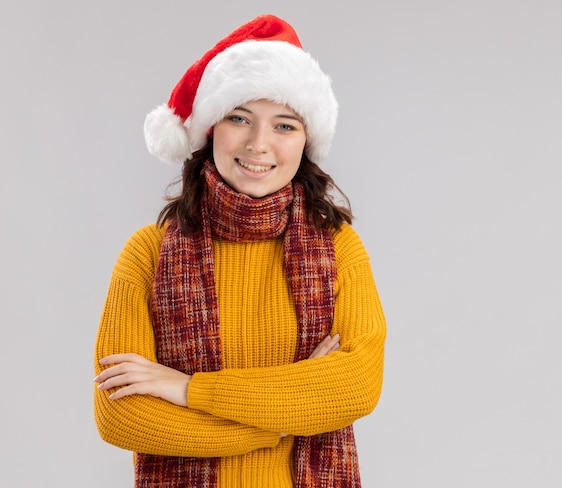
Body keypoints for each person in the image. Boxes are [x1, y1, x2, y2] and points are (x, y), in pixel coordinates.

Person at [93, 14, 386, 488]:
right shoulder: (148, 253)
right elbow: (121, 417)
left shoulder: (338, 249)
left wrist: (188, 389)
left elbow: (355, 386)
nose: (258, 144)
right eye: (239, 118)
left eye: (284, 125)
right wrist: (284, 419)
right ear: (211, 130)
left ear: (306, 141)